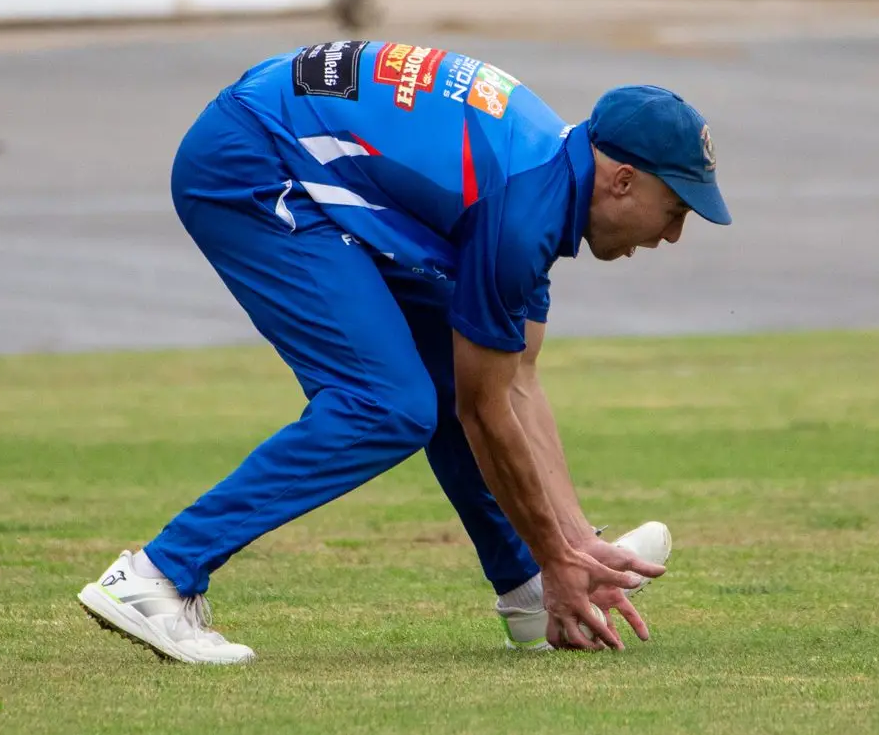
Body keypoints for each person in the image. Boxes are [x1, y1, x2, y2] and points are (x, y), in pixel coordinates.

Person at [77, 40, 731, 664]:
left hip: (280, 135)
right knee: (385, 404)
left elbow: (516, 381)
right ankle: (157, 574)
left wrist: (574, 544)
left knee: (450, 377)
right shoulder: (520, 215)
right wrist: (559, 555)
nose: (673, 234)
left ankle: (526, 586)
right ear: (621, 180)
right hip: (251, 158)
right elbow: (486, 412)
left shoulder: (546, 176)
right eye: (674, 208)